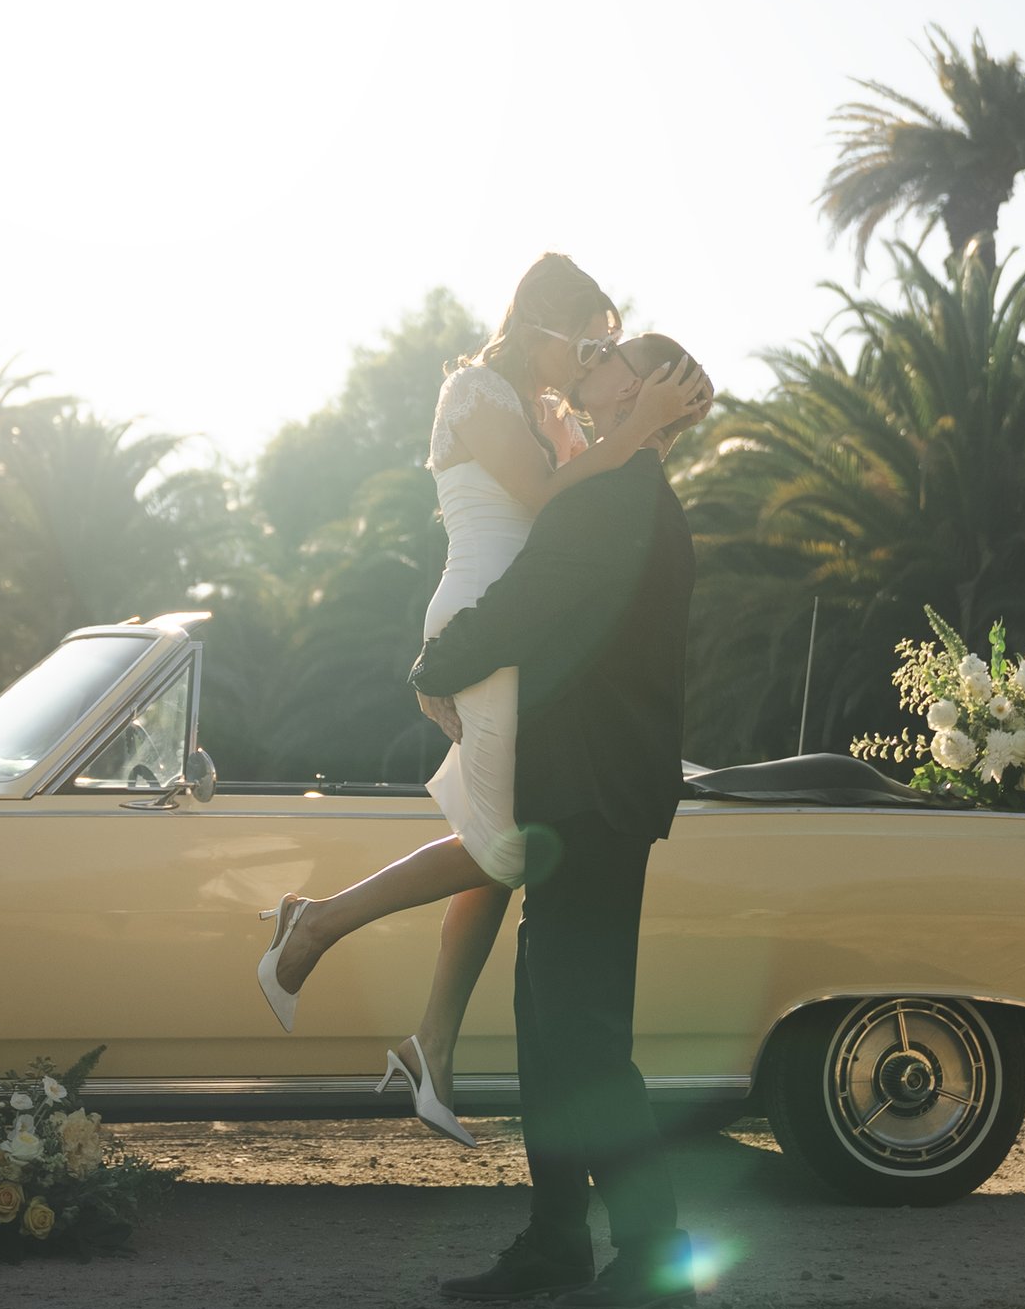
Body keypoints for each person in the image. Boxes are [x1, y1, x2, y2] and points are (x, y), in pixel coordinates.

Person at [254, 257, 709, 1148]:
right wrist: (637, 424)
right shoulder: (476, 391)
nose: (590, 362)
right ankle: (320, 926)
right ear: (538, 322)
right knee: (505, 848)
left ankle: (433, 1041)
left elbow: (599, 507)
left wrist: (642, 426)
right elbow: (544, 500)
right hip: (484, 618)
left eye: (605, 347)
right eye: (584, 343)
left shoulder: (548, 413)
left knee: (505, 838)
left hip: (523, 626)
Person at [415, 326, 704, 1309]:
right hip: (581, 787)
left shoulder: (619, 495)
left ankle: (653, 1248)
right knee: (547, 1020)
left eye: (616, 362)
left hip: (594, 789)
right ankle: (556, 1240)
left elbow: (535, 597)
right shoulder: (618, 487)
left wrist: (438, 661)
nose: (593, 369)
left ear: (651, 388)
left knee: (576, 1025)